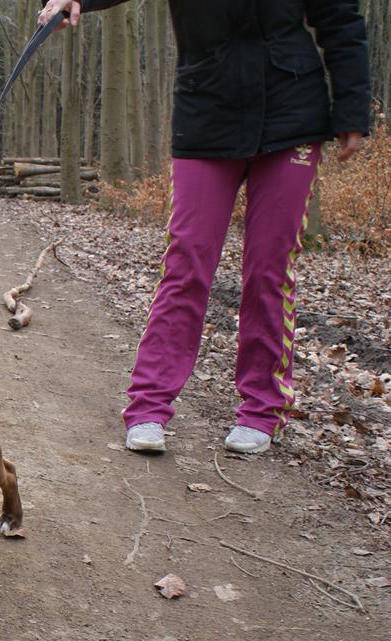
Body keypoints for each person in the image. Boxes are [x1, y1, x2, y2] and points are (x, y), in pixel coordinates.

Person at [39, 0, 370, 454]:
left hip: (293, 111)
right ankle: (149, 405)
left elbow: (340, 18)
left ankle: (261, 407)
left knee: (268, 268)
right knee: (187, 259)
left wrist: (351, 109)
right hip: (206, 109)